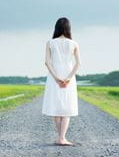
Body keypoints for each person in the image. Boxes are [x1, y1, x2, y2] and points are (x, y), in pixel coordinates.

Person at [42, 17, 81, 146]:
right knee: (67, 107)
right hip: (69, 77)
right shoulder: (74, 43)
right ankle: (62, 138)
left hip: (54, 78)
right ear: (69, 28)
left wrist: (56, 78)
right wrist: (69, 78)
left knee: (56, 107)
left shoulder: (50, 43)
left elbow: (47, 63)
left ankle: (61, 137)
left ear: (56, 28)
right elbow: (78, 63)